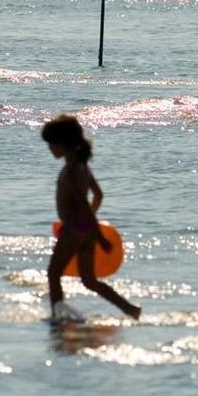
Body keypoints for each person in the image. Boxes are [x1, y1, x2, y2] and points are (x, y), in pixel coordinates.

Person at [41, 114, 141, 322]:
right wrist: (88, 227)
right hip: (84, 230)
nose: (50, 149)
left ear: (61, 144)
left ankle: (57, 317)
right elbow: (98, 195)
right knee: (89, 280)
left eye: (51, 145)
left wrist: (97, 234)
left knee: (53, 274)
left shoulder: (70, 171)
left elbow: (85, 205)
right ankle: (130, 309)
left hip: (74, 231)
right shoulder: (82, 166)